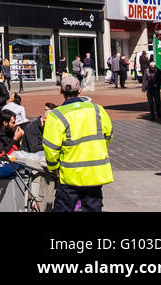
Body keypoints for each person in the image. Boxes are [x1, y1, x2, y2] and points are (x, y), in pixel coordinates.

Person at [43, 73, 113, 212]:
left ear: (60, 91)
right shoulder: (97, 110)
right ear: (80, 90)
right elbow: (108, 135)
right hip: (95, 173)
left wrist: (54, 167)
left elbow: (50, 148)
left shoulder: (57, 115)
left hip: (70, 175)